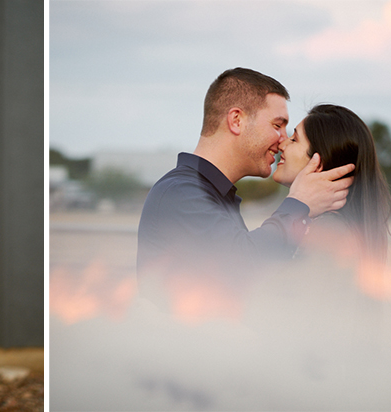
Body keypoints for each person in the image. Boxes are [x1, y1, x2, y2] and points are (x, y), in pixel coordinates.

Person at [136, 68, 355, 316]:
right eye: (277, 125)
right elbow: (243, 266)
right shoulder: (181, 193)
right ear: (236, 120)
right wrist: (298, 204)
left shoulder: (211, 195)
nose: (283, 140)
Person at [272, 103, 391, 268]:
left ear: (318, 162)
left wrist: (293, 205)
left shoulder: (327, 232)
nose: (282, 145)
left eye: (294, 140)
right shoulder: (336, 225)